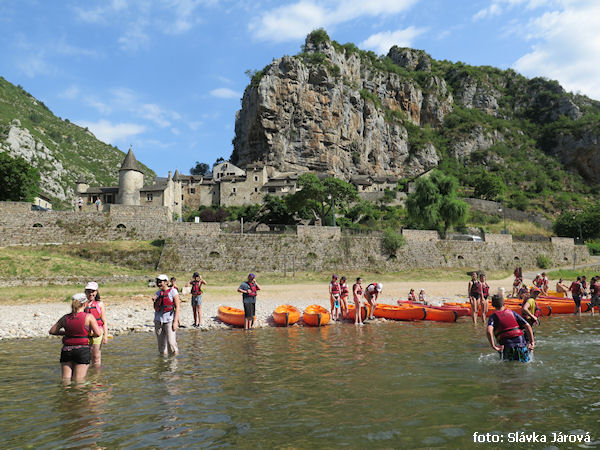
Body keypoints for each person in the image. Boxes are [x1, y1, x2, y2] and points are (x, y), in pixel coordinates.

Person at [49, 293, 102, 383]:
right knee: (79, 381)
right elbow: (98, 333)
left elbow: (52, 331)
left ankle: (66, 396)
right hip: (82, 350)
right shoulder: (89, 317)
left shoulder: (65, 317)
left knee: (65, 380)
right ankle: (78, 397)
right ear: (85, 304)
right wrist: (88, 334)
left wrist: (67, 333)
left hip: (66, 350)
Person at [486, 294, 535, 362]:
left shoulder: (493, 317)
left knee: (508, 368)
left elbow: (489, 331)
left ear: (493, 305)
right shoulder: (512, 313)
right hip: (521, 344)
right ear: (504, 303)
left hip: (507, 346)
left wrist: (493, 346)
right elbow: (528, 326)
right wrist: (532, 342)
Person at [152, 274, 180, 356]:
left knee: (171, 343)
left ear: (166, 282)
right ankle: (163, 365)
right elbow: (156, 305)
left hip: (169, 320)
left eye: (161, 282)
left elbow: (177, 307)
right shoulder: (158, 293)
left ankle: (173, 365)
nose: (159, 284)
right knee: (161, 346)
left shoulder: (173, 291)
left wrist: (175, 322)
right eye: (158, 282)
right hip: (158, 321)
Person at [83, 281, 107, 367]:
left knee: (96, 356)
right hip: (85, 333)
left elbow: (104, 321)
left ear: (96, 292)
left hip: (98, 332)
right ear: (85, 292)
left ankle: (96, 376)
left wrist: (105, 336)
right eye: (88, 291)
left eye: (93, 291)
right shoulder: (82, 304)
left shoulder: (100, 304)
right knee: (85, 356)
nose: (91, 293)